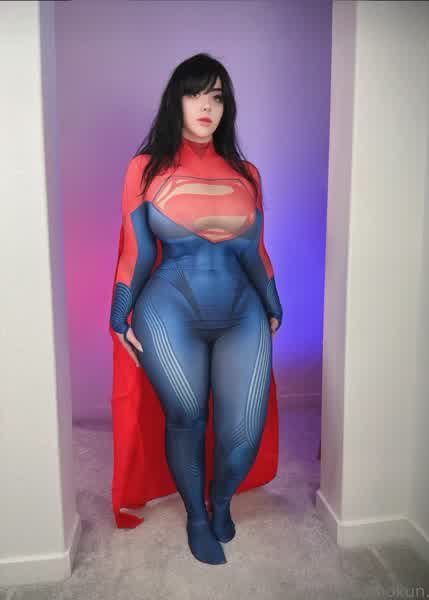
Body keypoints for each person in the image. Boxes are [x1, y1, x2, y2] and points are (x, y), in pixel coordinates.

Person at [109, 53, 283, 565]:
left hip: (242, 312)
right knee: (186, 414)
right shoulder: (145, 168)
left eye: (217, 96)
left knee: (243, 433)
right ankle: (197, 516)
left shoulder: (247, 173)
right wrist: (119, 312)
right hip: (170, 309)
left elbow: (255, 250)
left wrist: (273, 301)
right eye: (195, 94)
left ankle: (221, 500)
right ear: (176, 101)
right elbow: (136, 251)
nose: (207, 106)